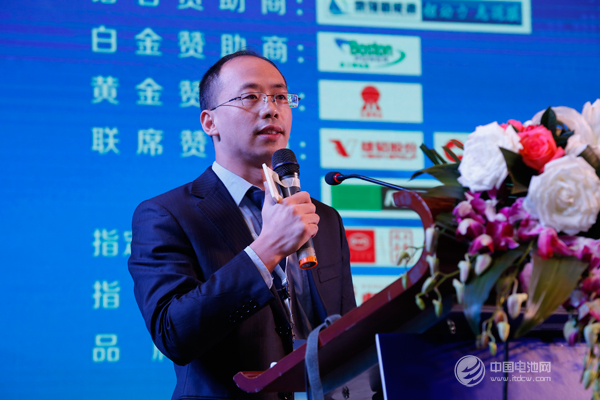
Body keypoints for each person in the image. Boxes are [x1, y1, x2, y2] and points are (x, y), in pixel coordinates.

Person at [128, 50, 356, 400]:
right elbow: (173, 333)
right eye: (250, 97)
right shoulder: (167, 215)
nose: (271, 109)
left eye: (280, 97)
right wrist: (267, 249)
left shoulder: (322, 218)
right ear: (210, 122)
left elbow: (345, 330)